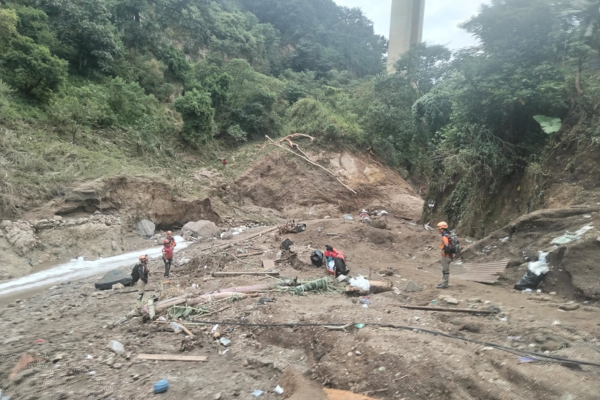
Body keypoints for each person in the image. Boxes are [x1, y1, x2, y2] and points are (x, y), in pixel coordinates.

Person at [437, 221, 452, 289]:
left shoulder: (444, 236)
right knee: (445, 269)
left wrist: (445, 252)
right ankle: (444, 282)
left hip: (446, 255)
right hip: (449, 255)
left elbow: (446, 245)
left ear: (442, 229)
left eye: (439, 229)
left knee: (445, 270)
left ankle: (445, 284)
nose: (439, 230)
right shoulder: (449, 234)